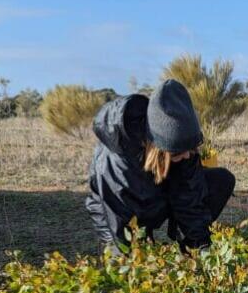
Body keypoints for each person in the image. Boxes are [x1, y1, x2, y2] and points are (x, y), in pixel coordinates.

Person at [85, 78, 235, 254]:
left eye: (190, 150)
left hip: (155, 192)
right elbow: (118, 223)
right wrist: (133, 259)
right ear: (158, 148)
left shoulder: (183, 141)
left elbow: (190, 195)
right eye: (178, 153)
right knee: (129, 258)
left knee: (220, 180)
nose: (187, 155)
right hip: (116, 213)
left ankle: (186, 247)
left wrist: (201, 247)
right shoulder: (116, 161)